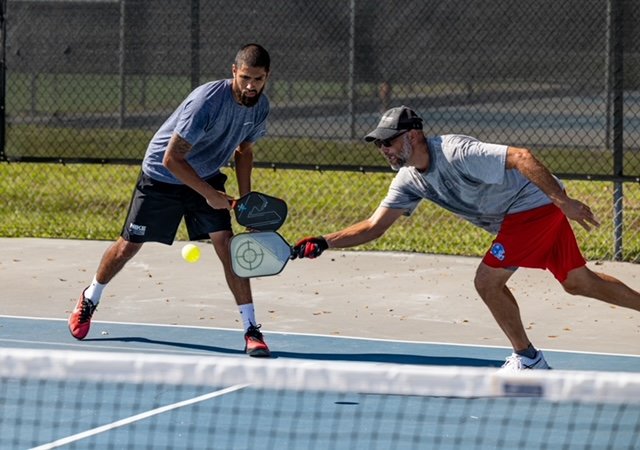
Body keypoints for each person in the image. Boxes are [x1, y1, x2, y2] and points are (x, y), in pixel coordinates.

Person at [291, 105, 640, 371]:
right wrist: (325, 241)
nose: (384, 149)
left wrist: (561, 202)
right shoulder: (409, 179)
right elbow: (374, 227)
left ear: (412, 136)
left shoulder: (455, 151)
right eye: (380, 144)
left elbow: (522, 157)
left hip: (532, 206)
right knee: (578, 282)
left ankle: (528, 359)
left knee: (487, 282)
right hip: (524, 215)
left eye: (389, 141)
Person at [68, 43, 272, 357]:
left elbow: (244, 150)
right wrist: (209, 195)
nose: (250, 85)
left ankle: (251, 328)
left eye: (257, 79)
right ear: (233, 71)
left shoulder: (260, 106)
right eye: (245, 77)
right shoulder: (207, 102)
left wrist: (246, 202)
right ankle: (90, 297)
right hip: (162, 177)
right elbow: (171, 159)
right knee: (128, 246)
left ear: (266, 77)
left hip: (204, 173)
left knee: (228, 247)